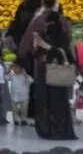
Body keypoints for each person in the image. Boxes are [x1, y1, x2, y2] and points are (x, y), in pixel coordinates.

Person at [31, 10, 77, 140]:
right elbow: (36, 54)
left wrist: (45, 46)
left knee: (56, 103)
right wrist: (36, 46)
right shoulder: (44, 35)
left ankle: (56, 130)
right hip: (44, 74)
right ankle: (46, 129)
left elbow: (61, 53)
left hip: (55, 75)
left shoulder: (62, 36)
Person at [8, 60, 32, 125]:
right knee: (14, 109)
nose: (15, 69)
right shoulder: (12, 75)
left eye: (16, 67)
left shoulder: (25, 76)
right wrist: (9, 70)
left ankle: (23, 119)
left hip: (24, 96)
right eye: (14, 67)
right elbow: (5, 77)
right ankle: (15, 119)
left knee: (24, 109)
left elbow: (31, 80)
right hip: (14, 95)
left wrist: (25, 74)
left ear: (22, 68)